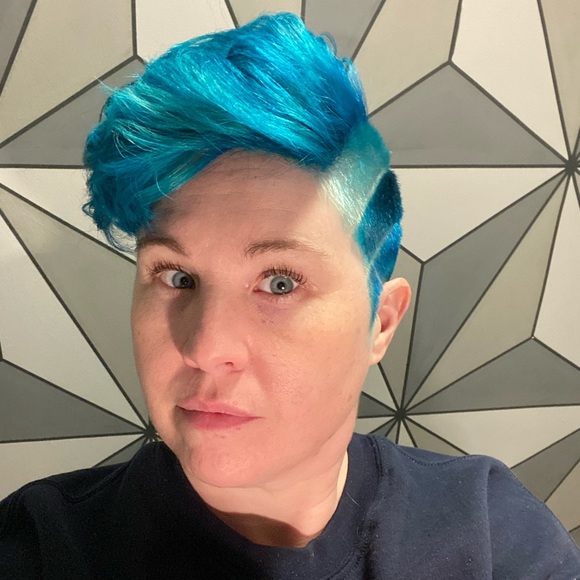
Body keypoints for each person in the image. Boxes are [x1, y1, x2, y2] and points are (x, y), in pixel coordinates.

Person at [1, 12, 579, 580]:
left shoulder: (494, 537)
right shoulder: (40, 544)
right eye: (176, 277)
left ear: (380, 323)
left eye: (280, 282)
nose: (206, 348)